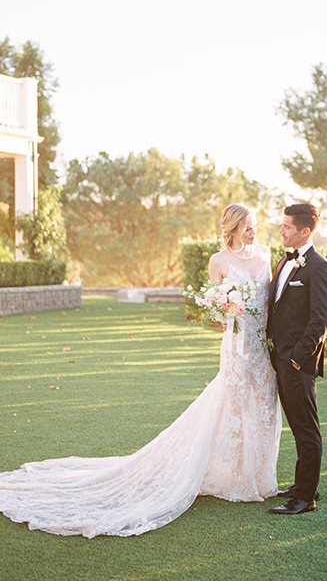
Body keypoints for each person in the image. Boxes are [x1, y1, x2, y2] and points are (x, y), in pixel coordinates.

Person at [0, 204, 281, 538]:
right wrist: (226, 312)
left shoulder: (265, 255)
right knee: (234, 405)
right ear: (233, 228)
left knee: (263, 405)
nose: (253, 230)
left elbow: (273, 302)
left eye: (254, 225)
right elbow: (214, 312)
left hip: (264, 346)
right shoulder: (218, 262)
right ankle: (236, 478)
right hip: (235, 346)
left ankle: (259, 477)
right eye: (247, 226)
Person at [267, 203, 327, 515]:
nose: (281, 230)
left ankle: (305, 499)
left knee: (307, 430)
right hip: (279, 359)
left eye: (287, 227)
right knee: (297, 426)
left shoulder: (320, 267)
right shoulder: (284, 260)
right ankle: (303, 485)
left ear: (305, 231)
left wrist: (296, 359)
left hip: (298, 362)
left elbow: (320, 320)